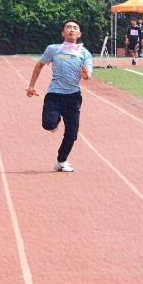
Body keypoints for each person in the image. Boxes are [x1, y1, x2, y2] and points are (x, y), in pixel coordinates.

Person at [26, 19, 93, 173]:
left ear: (79, 33)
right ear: (63, 33)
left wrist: (86, 74)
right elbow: (39, 65)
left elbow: (88, 75)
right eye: (68, 27)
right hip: (54, 94)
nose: (71, 29)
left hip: (73, 97)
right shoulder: (53, 49)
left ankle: (61, 161)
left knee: (72, 134)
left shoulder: (84, 53)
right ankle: (55, 122)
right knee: (48, 124)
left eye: (75, 27)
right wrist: (31, 86)